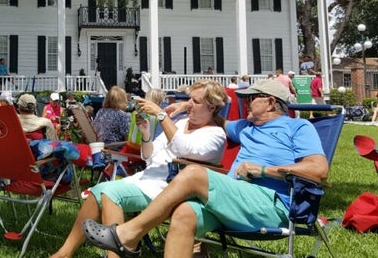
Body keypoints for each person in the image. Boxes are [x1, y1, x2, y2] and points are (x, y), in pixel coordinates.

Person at [81, 80, 328, 258]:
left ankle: (127, 235)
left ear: (272, 102)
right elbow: (214, 116)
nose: (246, 104)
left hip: (270, 204)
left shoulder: (298, 128)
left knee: (194, 173)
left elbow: (319, 170)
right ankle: (127, 236)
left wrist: (263, 170)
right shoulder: (245, 126)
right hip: (233, 201)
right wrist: (183, 107)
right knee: (185, 212)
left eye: (251, 99)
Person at [50, 80, 227, 258]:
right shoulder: (181, 123)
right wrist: (146, 135)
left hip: (171, 189)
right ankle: (64, 253)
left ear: (212, 107)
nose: (189, 104)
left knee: (109, 194)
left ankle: (120, 251)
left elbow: (183, 148)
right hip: (148, 179)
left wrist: (161, 115)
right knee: (98, 191)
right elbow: (150, 156)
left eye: (195, 101)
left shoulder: (215, 135)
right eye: (189, 99)